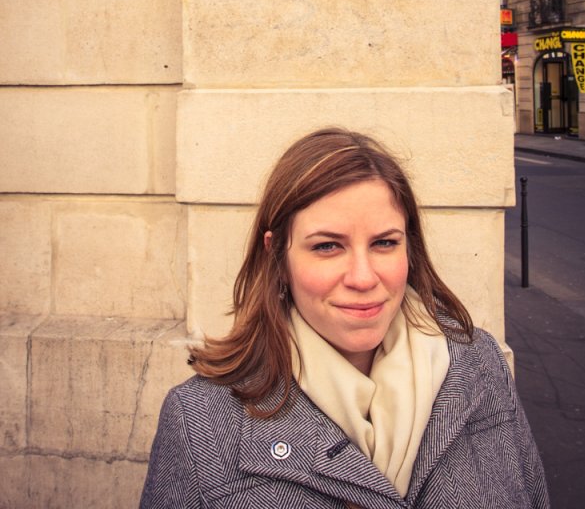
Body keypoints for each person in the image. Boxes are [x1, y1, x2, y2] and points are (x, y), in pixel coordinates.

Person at [140, 127, 549, 509]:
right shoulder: (200, 422)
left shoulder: (480, 366)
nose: (363, 277)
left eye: (385, 243)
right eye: (327, 247)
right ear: (277, 257)